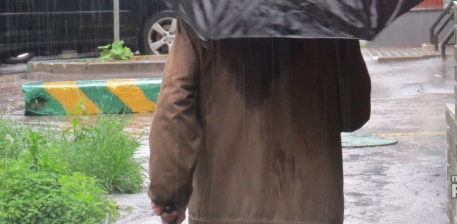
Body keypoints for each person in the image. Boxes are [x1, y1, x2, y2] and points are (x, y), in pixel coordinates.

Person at [148, 19, 372, 224]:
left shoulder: (202, 12)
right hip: (311, 206)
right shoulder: (329, 16)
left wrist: (169, 193)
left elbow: (176, 101)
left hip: (223, 208)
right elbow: (353, 113)